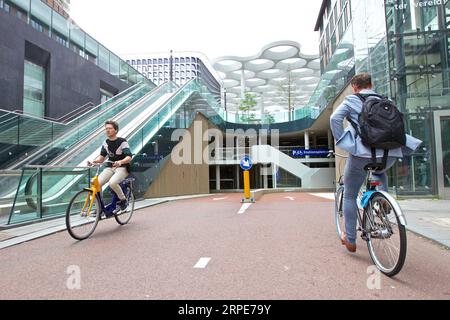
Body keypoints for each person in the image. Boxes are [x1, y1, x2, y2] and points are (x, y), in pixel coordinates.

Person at [330, 73, 422, 253]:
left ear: (354, 87)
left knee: (349, 195)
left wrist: (344, 141)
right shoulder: (386, 101)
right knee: (379, 172)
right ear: (371, 85)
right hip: (391, 153)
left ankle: (350, 239)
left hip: (362, 154)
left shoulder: (352, 100)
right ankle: (383, 200)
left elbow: (335, 119)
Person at [88, 120, 133, 211]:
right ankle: (99, 207)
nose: (107, 130)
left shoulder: (122, 141)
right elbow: (101, 159)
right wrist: (94, 162)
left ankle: (123, 200)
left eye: (110, 128)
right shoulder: (106, 143)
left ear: (115, 130)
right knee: (96, 183)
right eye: (106, 129)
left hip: (122, 168)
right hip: (110, 167)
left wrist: (120, 162)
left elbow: (129, 157)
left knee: (112, 183)